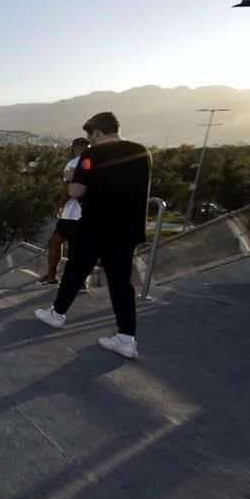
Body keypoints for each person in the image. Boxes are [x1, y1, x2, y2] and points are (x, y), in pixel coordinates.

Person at [35, 112, 152, 359]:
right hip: (128, 228)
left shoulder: (92, 155)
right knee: (121, 282)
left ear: (97, 132)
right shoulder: (142, 152)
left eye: (92, 136)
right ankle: (126, 338)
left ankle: (57, 314)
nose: (92, 141)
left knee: (75, 271)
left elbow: (77, 191)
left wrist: (69, 179)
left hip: (96, 225)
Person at [39, 137, 90, 286]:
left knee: (56, 243)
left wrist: (60, 205)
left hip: (72, 214)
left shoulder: (74, 164)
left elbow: (68, 189)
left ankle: (52, 277)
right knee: (79, 248)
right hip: (90, 214)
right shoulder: (99, 164)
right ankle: (79, 282)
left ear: (74, 148)